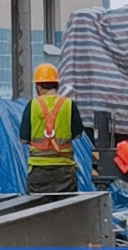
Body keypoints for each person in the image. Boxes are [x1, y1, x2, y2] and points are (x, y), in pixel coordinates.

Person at [20, 61, 90, 196]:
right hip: (64, 170)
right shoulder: (69, 104)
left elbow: (24, 138)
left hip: (38, 170)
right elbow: (78, 134)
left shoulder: (32, 105)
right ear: (57, 84)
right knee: (66, 207)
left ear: (38, 86)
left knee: (38, 208)